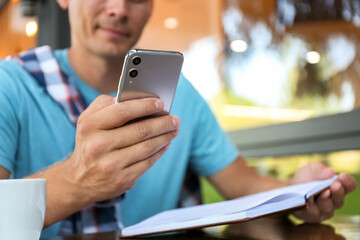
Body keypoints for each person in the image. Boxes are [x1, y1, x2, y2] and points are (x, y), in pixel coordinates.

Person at [0, 0, 357, 237]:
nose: (119, 9)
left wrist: (299, 190)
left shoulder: (180, 94)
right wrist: (78, 180)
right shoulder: (10, 84)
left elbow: (245, 187)